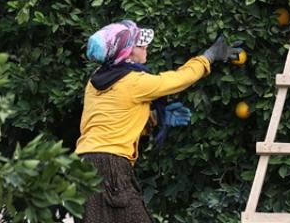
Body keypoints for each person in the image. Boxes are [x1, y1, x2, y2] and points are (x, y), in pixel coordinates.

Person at [75, 20, 238, 222]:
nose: (146, 47)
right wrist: (208, 57)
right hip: (110, 164)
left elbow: (111, 121)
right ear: (125, 53)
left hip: (83, 164)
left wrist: (154, 120)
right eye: (138, 44)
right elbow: (177, 80)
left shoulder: (95, 82)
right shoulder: (134, 81)